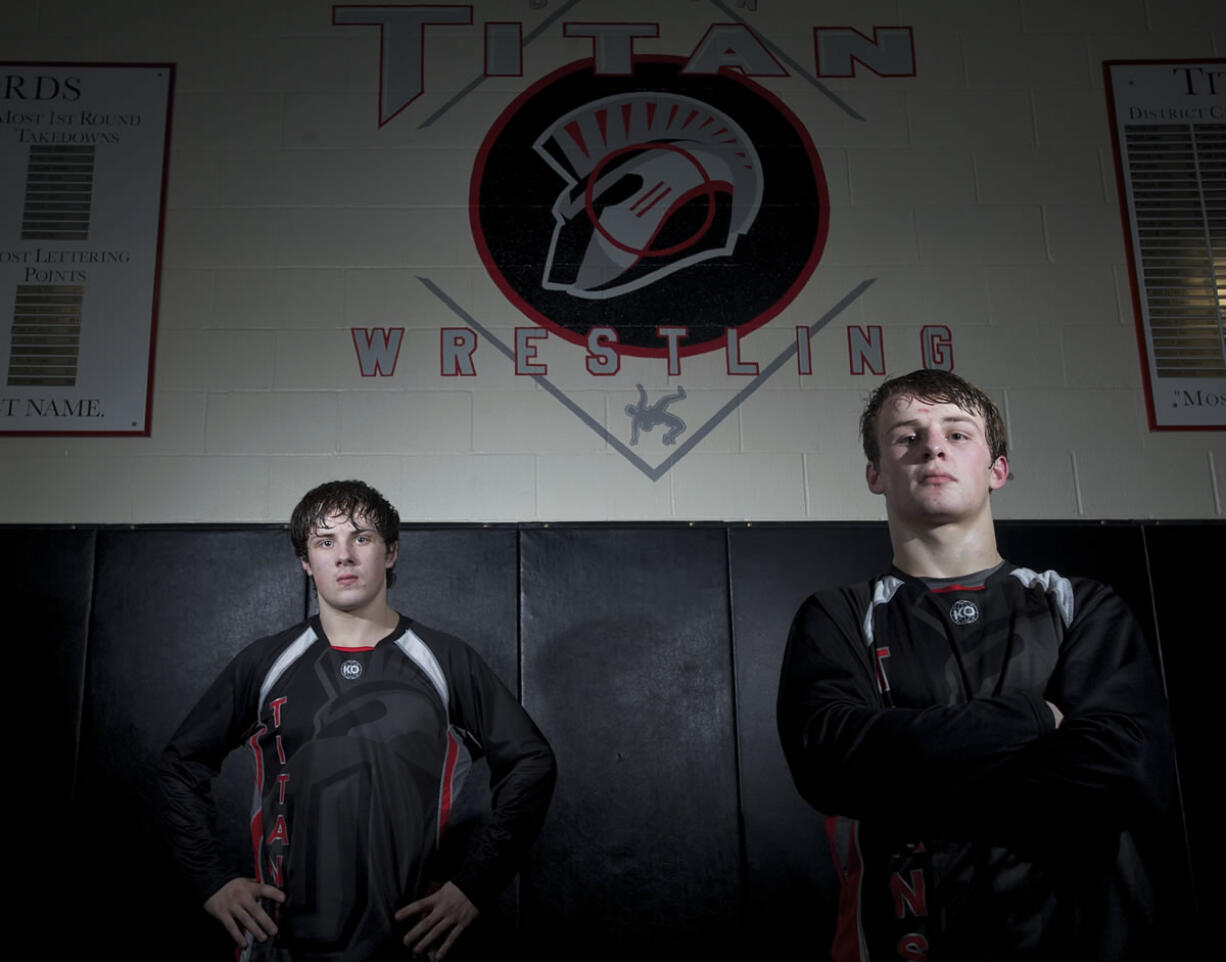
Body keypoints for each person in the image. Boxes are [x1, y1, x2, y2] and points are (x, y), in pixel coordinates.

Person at [776, 370, 1174, 961]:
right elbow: (830, 761)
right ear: (875, 474)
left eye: (958, 434)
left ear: (997, 471)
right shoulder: (839, 616)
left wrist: (912, 781)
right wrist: (1039, 720)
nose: (933, 446)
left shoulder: (1080, 605)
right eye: (907, 436)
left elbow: (1122, 764)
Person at [157, 480, 556, 961]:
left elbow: (531, 762)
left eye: (361, 538)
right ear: (307, 562)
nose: (344, 556)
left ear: (390, 553)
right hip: (282, 944)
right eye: (325, 542)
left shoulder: (444, 660)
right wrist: (212, 880)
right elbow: (180, 766)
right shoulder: (265, 663)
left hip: (408, 943)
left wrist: (474, 886)